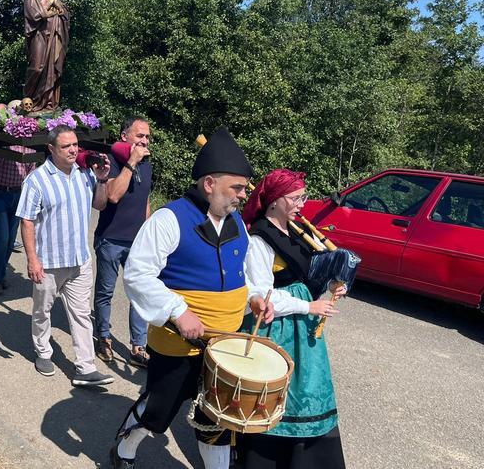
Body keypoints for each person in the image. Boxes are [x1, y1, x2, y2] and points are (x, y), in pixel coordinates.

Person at [110, 127, 272, 469]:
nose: (243, 195)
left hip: (224, 344)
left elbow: (244, 272)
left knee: (216, 417)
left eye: (244, 188)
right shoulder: (170, 219)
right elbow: (138, 274)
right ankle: (124, 446)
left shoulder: (238, 223)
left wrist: (255, 298)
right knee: (159, 408)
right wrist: (178, 311)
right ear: (210, 184)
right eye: (237, 188)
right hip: (177, 341)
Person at [235, 169, 347, 469]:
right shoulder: (258, 237)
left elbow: (308, 275)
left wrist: (334, 284)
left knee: (308, 392)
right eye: (296, 198)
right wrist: (308, 308)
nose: (302, 204)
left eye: (304, 197)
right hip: (278, 328)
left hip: (304, 331)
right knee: (276, 397)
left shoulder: (296, 230)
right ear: (273, 200)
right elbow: (259, 293)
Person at [16, 125, 115, 387]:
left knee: (82, 314)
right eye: (66, 146)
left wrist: (103, 180)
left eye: (75, 145)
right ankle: (43, 352)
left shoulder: (85, 175)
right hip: (48, 262)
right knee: (42, 311)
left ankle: (85, 367)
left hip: (79, 260)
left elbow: (100, 204)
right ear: (51, 149)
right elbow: (26, 221)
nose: (72, 150)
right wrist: (32, 259)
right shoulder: (37, 180)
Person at [93, 117, 153, 368]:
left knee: (139, 294)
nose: (145, 141)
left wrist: (149, 231)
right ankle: (103, 337)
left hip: (137, 241)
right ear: (124, 135)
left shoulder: (148, 162)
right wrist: (131, 162)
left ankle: (138, 345)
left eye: (148, 137)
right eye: (139, 136)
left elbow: (145, 198)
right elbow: (114, 196)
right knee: (106, 292)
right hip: (111, 239)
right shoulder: (112, 161)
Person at [0, 133, 36, 294]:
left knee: (11, 238)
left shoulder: (28, 142)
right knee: (2, 237)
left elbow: (30, 170)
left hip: (17, 193)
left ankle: (0, 273)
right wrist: (8, 140)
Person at [23, 0, 70, 112]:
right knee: (37, 67)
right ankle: (30, 99)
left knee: (51, 70)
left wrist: (58, 6)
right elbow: (33, 16)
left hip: (54, 37)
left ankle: (49, 104)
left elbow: (64, 14)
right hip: (39, 36)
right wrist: (50, 3)